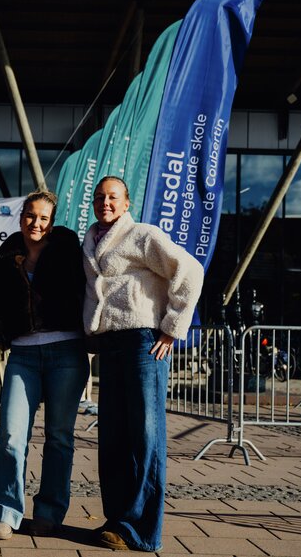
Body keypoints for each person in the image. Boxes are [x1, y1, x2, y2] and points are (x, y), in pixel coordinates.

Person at [82, 176, 203, 552]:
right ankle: (117, 519)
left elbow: (190, 271)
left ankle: (142, 531)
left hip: (143, 342)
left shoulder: (143, 236)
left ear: (125, 202)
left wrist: (171, 329)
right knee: (114, 435)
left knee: (145, 435)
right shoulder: (90, 240)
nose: (106, 202)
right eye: (100, 197)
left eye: (113, 197)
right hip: (111, 344)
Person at [0, 190, 88, 541]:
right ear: (21, 216)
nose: (35, 223)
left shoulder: (68, 249)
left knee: (59, 437)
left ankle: (49, 511)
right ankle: (7, 511)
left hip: (66, 353)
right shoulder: (9, 253)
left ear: (52, 221)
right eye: (30, 216)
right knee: (12, 436)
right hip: (23, 355)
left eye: (43, 217)